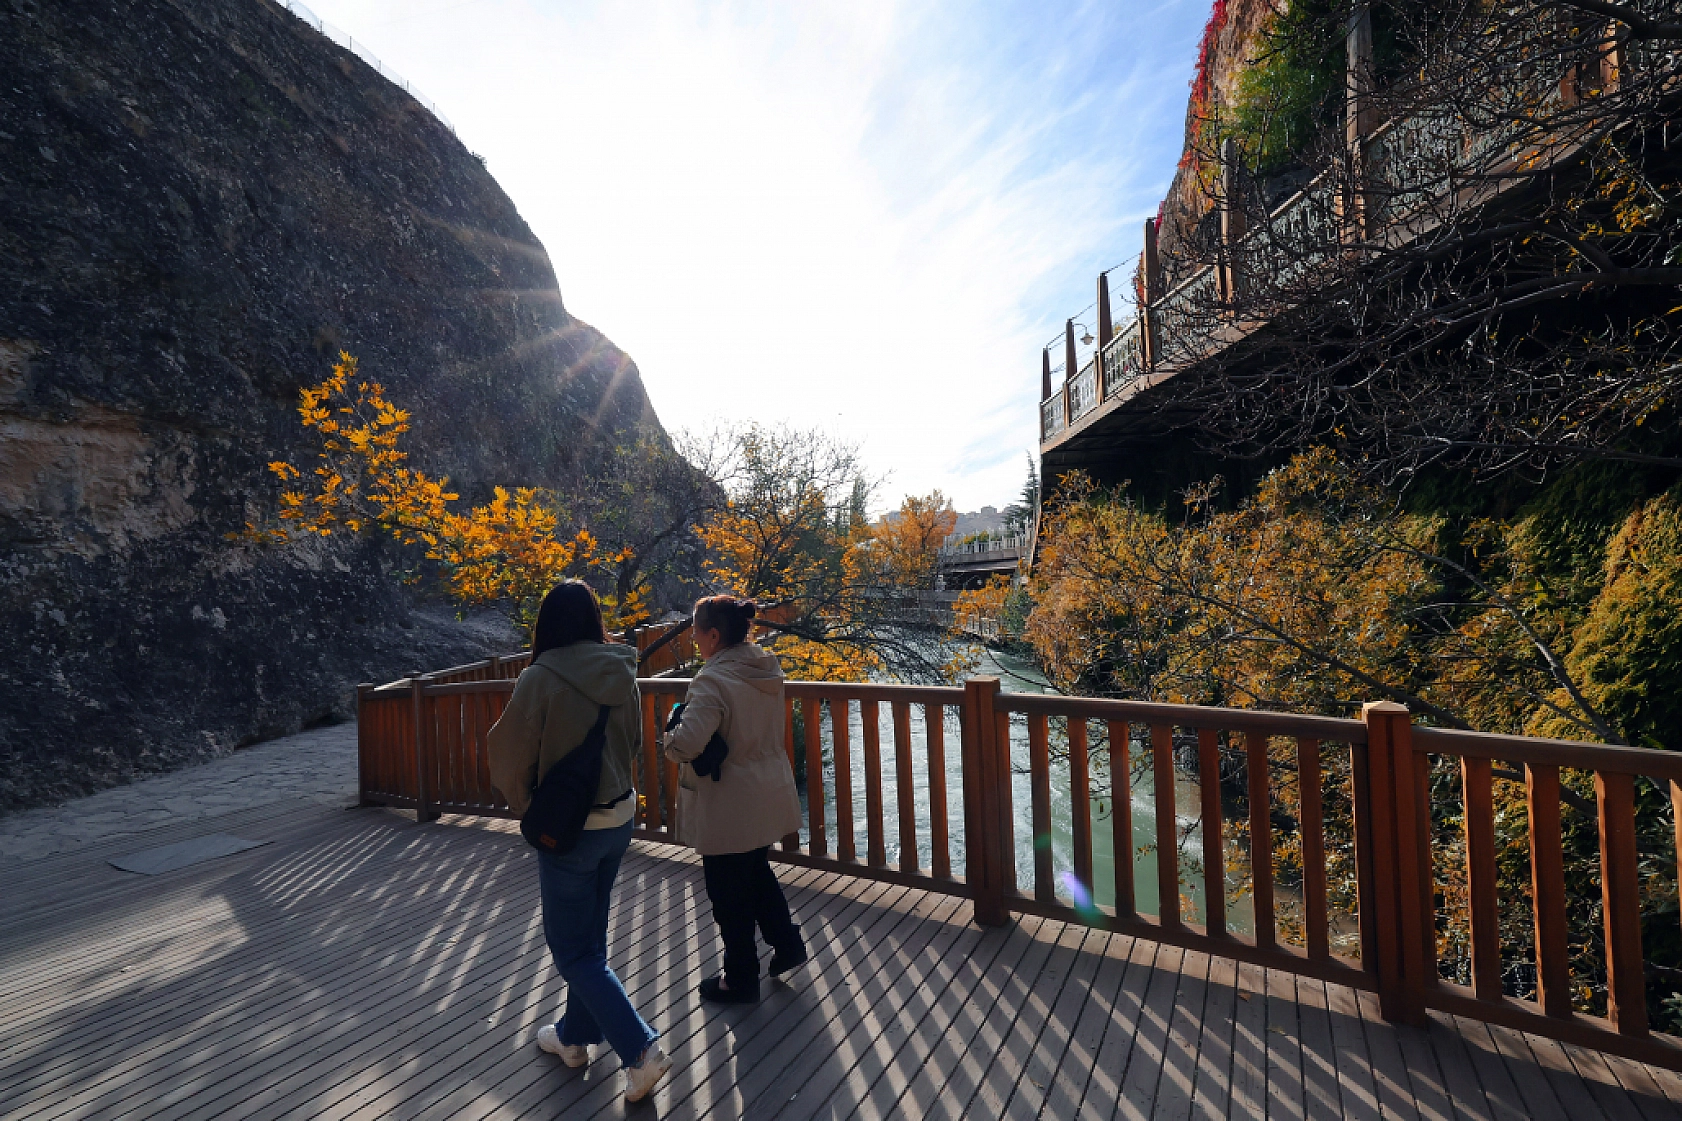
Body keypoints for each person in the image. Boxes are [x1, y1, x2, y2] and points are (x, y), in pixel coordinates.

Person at [487, 581, 672, 1103]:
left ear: (547, 624)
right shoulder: (623, 672)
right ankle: (573, 1037)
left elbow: (505, 757)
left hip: (570, 830)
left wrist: (531, 807)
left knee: (572, 951)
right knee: (589, 939)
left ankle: (640, 1050)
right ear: (594, 621)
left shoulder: (539, 679)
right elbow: (633, 743)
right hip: (618, 820)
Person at [663, 595, 808, 1003]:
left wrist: (669, 738)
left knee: (728, 894)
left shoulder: (712, 680)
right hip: (766, 789)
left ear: (713, 634)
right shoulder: (765, 668)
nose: (694, 639)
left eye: (696, 631)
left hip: (729, 801)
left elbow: (688, 742)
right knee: (756, 873)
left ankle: (740, 977)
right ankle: (787, 944)